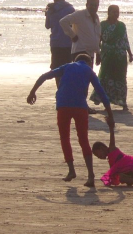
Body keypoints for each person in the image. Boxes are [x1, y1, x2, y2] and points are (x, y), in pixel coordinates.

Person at [27, 53, 116, 184]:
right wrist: (110, 115)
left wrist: (32, 92)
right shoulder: (89, 71)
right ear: (89, 63)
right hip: (80, 107)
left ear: (75, 60)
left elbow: (44, 76)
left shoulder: (67, 67)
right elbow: (102, 93)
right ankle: (90, 175)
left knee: (64, 138)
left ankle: (71, 170)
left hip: (63, 106)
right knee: (83, 139)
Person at [92, 5, 133, 110]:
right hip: (107, 55)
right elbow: (98, 40)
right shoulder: (103, 25)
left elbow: (125, 40)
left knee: (121, 78)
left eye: (117, 12)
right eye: (114, 12)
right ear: (108, 13)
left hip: (120, 56)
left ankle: (122, 101)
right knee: (106, 77)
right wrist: (98, 54)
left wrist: (130, 53)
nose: (116, 14)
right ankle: (106, 101)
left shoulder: (121, 26)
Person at [59, 0, 102, 66]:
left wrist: (98, 52)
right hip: (80, 51)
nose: (94, 7)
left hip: (90, 52)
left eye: (96, 5)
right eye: (91, 5)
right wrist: (73, 35)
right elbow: (63, 21)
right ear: (87, 5)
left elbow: (97, 36)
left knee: (87, 76)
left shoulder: (96, 17)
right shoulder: (80, 14)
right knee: (82, 75)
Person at [44, 0, 76, 71]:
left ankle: (58, 83)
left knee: (56, 67)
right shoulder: (70, 9)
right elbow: (74, 25)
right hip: (68, 42)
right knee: (67, 66)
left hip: (55, 42)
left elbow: (47, 26)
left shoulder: (51, 9)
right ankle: (65, 83)